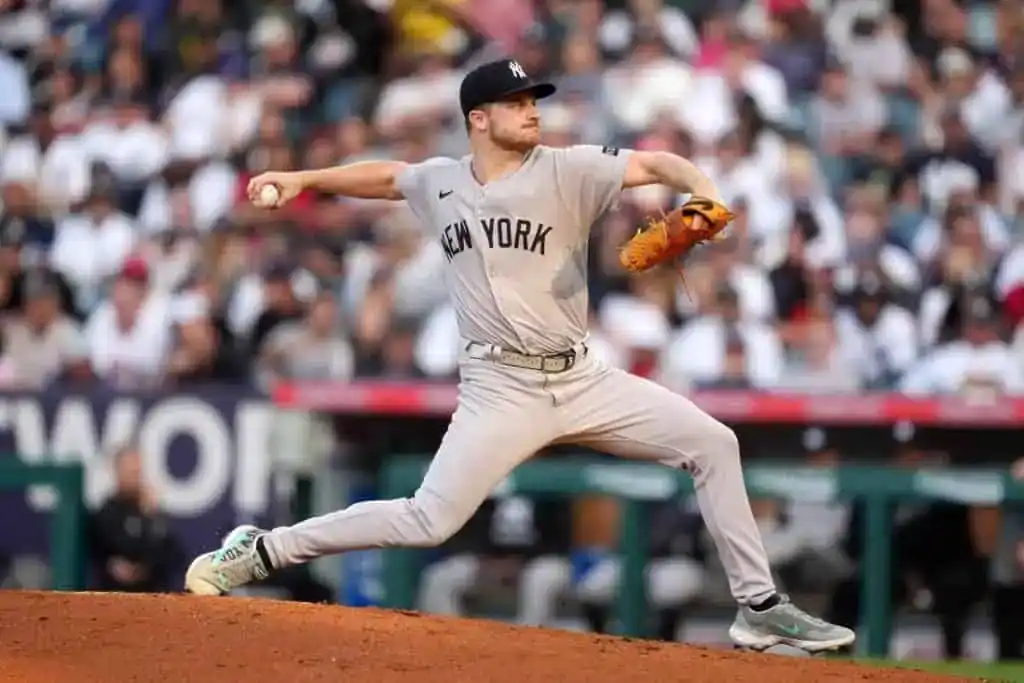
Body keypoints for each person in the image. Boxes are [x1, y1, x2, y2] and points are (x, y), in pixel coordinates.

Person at [185, 58, 855, 653]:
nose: (531, 109)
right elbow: (388, 176)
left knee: (714, 442)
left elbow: (658, 164)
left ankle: (758, 606)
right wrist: (301, 177)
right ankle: (264, 548)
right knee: (428, 519)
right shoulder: (440, 182)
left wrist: (703, 192)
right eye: (516, 102)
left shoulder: (570, 168)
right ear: (478, 119)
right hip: (499, 386)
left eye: (533, 100)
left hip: (583, 374)